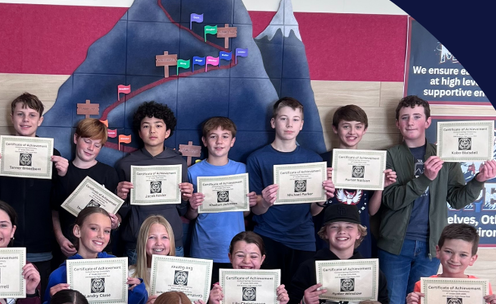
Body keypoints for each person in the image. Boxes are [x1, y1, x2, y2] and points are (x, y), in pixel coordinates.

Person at [374, 95, 496, 304]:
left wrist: (478, 180)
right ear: (397, 124)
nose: (411, 122)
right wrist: (424, 178)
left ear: (427, 122)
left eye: (417, 116)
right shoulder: (388, 156)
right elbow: (390, 200)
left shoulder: (445, 156)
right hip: (395, 245)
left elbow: (456, 198)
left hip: (432, 248)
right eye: (405, 117)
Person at [245, 97, 335, 285]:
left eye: (295, 119)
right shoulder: (257, 159)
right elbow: (254, 209)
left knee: (298, 300)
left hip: (303, 239)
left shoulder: (314, 161)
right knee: (269, 301)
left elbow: (313, 210)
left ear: (301, 125)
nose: (289, 124)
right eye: (283, 118)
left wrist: (322, 199)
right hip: (268, 237)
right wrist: (266, 202)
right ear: (273, 122)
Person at [0, 92, 64, 268]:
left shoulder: (53, 156)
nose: (26, 119)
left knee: (38, 293)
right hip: (4, 244)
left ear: (40, 120)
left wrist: (64, 176)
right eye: (20, 114)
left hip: (41, 245)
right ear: (12, 118)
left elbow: (57, 203)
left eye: (32, 115)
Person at [314, 105, 396, 258]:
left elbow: (371, 211)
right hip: (326, 238)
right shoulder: (321, 161)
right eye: (346, 126)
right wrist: (321, 185)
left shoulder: (372, 163)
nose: (352, 132)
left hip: (359, 240)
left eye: (358, 127)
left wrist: (380, 186)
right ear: (335, 129)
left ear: (364, 130)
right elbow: (313, 211)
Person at [115, 101, 193, 262]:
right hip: (136, 243)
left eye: (158, 125)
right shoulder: (126, 164)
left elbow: (181, 210)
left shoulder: (178, 163)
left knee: (172, 288)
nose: (152, 130)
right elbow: (121, 213)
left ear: (167, 132)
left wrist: (186, 199)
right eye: (146, 126)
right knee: (136, 288)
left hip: (171, 243)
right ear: (139, 132)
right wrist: (120, 198)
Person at [128, 215, 206, 304]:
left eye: (164, 237)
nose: (159, 243)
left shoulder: (189, 274)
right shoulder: (131, 277)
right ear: (142, 241)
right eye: (152, 237)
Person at [186, 116, 256, 262]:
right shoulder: (193, 172)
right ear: (204, 141)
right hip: (203, 248)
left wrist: (249, 203)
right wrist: (193, 206)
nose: (219, 142)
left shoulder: (242, 170)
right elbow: (190, 215)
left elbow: (245, 213)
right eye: (213, 136)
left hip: (236, 249)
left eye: (225, 136)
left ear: (232, 142)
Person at [51, 117, 120, 260]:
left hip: (100, 250)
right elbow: (54, 211)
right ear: (76, 138)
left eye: (97, 145)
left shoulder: (109, 173)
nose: (90, 148)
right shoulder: (61, 170)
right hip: (67, 246)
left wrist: (115, 222)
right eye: (87, 141)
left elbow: (117, 213)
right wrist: (60, 238)